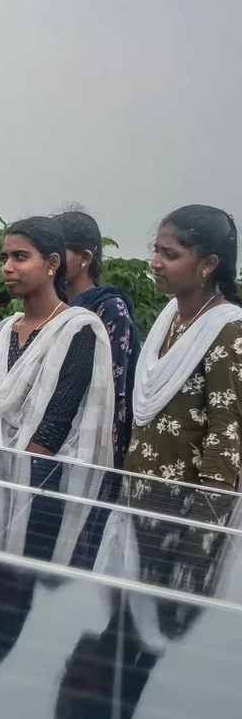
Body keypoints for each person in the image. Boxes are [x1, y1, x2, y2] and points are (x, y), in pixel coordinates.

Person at [0, 216, 116, 566]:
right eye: (4, 258)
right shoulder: (3, 331)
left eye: (20, 257)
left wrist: (14, 481)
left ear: (52, 263)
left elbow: (54, 425)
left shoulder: (79, 330)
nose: (7, 268)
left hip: (40, 492)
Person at [107, 205, 242, 624]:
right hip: (138, 504)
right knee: (121, 618)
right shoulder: (171, 318)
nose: (156, 262)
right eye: (156, 249)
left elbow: (227, 434)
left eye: (170, 254)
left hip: (183, 516)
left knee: (158, 626)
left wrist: (201, 536)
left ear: (208, 265)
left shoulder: (228, 330)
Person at [52, 209, 142, 567]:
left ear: (85, 258)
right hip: (50, 438)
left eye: (61, 253)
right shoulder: (54, 306)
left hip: (92, 441)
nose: (53, 262)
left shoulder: (110, 309)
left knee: (79, 540)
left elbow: (111, 386)